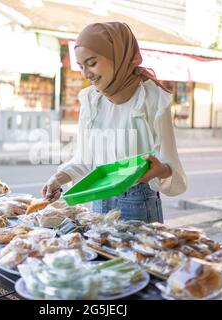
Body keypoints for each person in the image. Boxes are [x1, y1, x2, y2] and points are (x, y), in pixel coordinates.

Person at [42, 22, 187, 223]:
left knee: (139, 255)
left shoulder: (152, 98)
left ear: (117, 55)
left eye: (92, 63)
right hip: (98, 200)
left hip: (138, 205)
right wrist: (58, 178)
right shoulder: (91, 100)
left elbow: (171, 166)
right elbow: (85, 160)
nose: (86, 74)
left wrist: (159, 170)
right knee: (101, 254)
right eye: (81, 66)